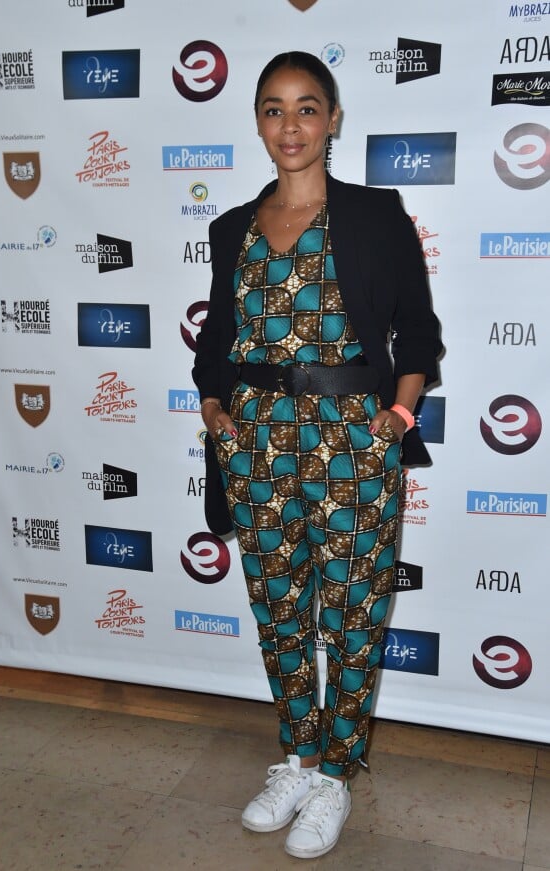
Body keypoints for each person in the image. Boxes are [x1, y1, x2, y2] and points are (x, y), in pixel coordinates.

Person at [192, 51, 442, 860]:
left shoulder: (375, 214)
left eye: (307, 108)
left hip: (352, 445)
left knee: (354, 613)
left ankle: (336, 771)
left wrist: (397, 414)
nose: (290, 125)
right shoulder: (230, 228)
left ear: (333, 119)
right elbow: (215, 348)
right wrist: (215, 410)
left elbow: (420, 337)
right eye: (274, 108)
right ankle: (297, 758)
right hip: (257, 447)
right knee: (279, 614)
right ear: (258, 122)